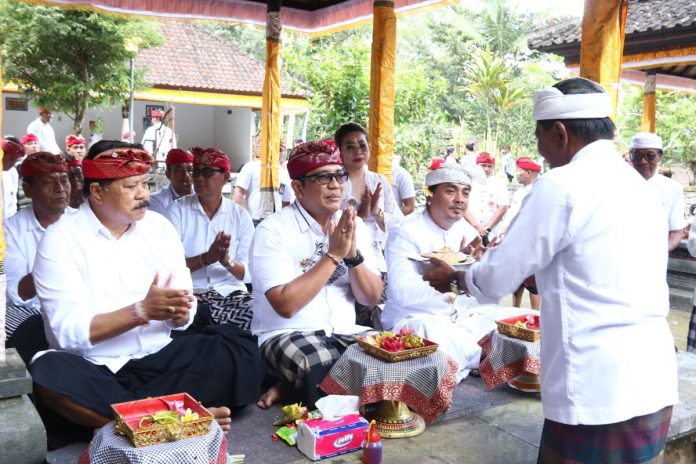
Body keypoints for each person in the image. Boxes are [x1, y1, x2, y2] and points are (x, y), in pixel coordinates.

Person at [424, 77, 677, 463]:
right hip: (652, 374)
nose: (540, 151)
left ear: (560, 133)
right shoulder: (639, 187)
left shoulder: (562, 185)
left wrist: (456, 276)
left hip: (596, 382)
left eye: (539, 138)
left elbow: (497, 277)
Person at [28, 140, 263, 438]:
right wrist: (140, 312)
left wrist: (179, 315)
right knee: (47, 372)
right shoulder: (60, 238)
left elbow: (185, 308)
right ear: (98, 192)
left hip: (161, 358)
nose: (143, 195)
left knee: (236, 346)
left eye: (145, 184)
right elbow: (67, 332)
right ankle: (172, 420)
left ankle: (136, 420)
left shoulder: (159, 228)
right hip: (98, 367)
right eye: (130, 187)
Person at [250, 139, 383, 409]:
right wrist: (333, 255)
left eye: (339, 175)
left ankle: (295, 388)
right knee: (322, 364)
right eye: (323, 177)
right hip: (286, 332)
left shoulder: (354, 224)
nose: (335, 185)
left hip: (346, 330)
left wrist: (353, 256)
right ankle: (305, 387)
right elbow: (285, 305)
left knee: (397, 357)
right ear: (298, 188)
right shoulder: (272, 230)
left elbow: (371, 297)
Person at [382, 163, 526, 381]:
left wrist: (486, 267)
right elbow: (402, 293)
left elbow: (484, 295)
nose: (460, 199)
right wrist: (452, 279)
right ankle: (481, 359)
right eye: (451, 191)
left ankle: (478, 358)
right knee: (431, 334)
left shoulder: (466, 232)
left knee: (526, 319)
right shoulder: (404, 234)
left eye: (465, 192)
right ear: (430, 196)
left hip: (464, 316)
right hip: (418, 317)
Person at [166, 146, 255, 330]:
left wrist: (226, 261)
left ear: (225, 176)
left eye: (207, 172)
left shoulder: (240, 217)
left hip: (231, 294)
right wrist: (206, 258)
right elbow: (168, 268)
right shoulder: (177, 211)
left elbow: (248, 274)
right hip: (189, 294)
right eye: (195, 171)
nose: (198, 177)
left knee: (259, 318)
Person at [5, 152, 74, 359]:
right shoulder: (10, 231)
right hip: (32, 314)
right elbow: (17, 295)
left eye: (64, 180)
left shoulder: (83, 222)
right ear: (28, 189)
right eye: (48, 182)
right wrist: (55, 263)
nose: (60, 189)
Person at [334, 122, 403, 270]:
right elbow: (327, 222)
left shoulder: (379, 181)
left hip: (377, 254)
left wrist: (376, 212)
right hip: (343, 255)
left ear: (369, 149)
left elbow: (398, 223)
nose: (358, 151)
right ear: (339, 152)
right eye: (350, 147)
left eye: (362, 146)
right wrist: (360, 216)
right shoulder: (333, 181)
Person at [630, 132, 687, 251]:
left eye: (650, 156)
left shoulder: (672, 188)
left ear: (660, 156)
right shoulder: (615, 184)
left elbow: (676, 232)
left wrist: (657, 255)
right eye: (636, 155)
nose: (643, 161)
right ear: (630, 155)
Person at [500, 157, 542, 310]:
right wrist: (503, 233)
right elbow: (511, 214)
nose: (516, 174)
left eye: (520, 170)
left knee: (533, 283)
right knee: (516, 280)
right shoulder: (519, 192)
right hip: (514, 243)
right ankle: (514, 311)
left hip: (530, 244)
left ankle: (536, 317)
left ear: (529, 172)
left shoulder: (539, 191)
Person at [234, 139, 293, 226]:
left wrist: (283, 222)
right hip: (253, 219)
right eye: (278, 149)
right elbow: (239, 193)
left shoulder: (284, 173)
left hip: (274, 221)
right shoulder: (251, 167)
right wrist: (245, 218)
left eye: (282, 150)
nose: (280, 153)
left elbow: (286, 202)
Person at [465, 152, 509, 242]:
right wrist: (477, 226)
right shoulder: (467, 182)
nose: (486, 169)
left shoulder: (499, 183)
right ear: (477, 166)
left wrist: (488, 228)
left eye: (489, 166)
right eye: (483, 165)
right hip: (469, 229)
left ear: (493, 167)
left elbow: (503, 206)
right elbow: (463, 205)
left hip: (492, 231)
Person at [149, 148, 194, 215]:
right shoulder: (155, 201)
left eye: (190, 170)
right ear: (168, 174)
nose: (186, 175)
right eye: (178, 170)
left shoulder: (203, 197)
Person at [2, 137, 25, 220]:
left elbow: (13, 202)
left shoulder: (12, 172)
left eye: (16, 161)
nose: (13, 164)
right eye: (11, 159)